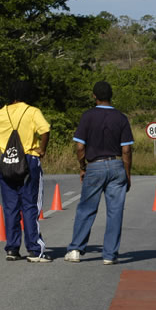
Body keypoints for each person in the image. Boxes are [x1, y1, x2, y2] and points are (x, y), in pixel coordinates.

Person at [0, 81, 52, 262]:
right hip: (28, 160)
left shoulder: (2, 113)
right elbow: (45, 129)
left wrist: (2, 143)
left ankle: (12, 248)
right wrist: (42, 149)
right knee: (30, 205)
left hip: (8, 161)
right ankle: (34, 249)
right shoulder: (32, 111)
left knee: (11, 207)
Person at [64, 81, 134, 265]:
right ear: (111, 96)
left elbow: (80, 147)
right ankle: (110, 255)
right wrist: (127, 173)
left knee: (87, 209)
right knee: (115, 211)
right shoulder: (121, 118)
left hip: (94, 166)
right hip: (116, 165)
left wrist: (82, 166)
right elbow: (126, 150)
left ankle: (76, 250)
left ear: (94, 96)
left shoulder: (88, 117)